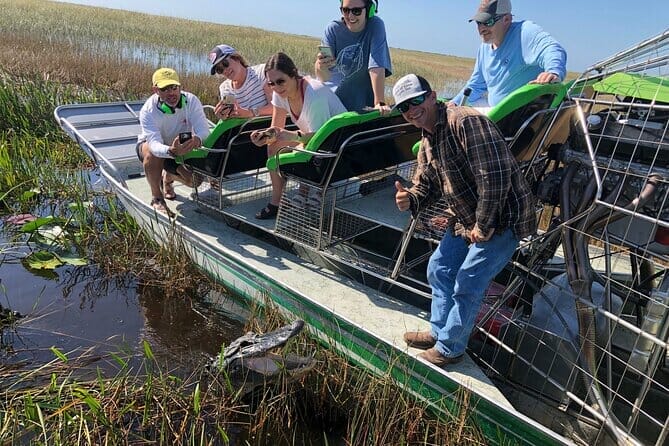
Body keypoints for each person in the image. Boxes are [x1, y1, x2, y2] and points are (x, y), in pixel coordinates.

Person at [392, 74, 536, 367]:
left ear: (432, 96)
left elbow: (493, 178)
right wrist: (410, 198)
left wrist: (482, 226)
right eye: (403, 107)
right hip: (466, 217)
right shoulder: (428, 138)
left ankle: (450, 347)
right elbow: (426, 184)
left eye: (416, 100)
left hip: (502, 217)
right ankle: (438, 330)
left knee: (469, 279)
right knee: (440, 268)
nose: (411, 110)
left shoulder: (465, 121)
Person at [250, 52, 346, 220]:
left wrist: (292, 136)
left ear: (294, 73)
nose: (276, 87)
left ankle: (313, 188)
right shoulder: (279, 94)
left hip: (335, 148)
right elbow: (276, 129)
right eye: (271, 83)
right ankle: (277, 202)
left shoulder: (314, 94)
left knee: (302, 148)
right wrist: (263, 137)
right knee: (272, 147)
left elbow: (321, 138)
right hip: (315, 142)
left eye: (281, 81)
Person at [449, 0, 567, 108]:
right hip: (496, 112)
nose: (482, 29)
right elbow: (475, 85)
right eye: (479, 23)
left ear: (507, 19)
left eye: (488, 22)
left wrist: (553, 71)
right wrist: (454, 103)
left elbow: (552, 48)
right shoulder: (484, 48)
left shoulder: (524, 32)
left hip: (524, 114)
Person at [136, 68, 210, 215]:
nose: (171, 93)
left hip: (181, 148)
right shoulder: (148, 110)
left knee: (194, 181)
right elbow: (154, 144)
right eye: (165, 89)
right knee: (152, 152)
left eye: (174, 87)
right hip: (158, 150)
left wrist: (197, 139)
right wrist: (171, 151)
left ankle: (167, 178)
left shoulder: (192, 101)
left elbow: (204, 130)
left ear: (180, 87)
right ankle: (157, 198)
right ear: (156, 90)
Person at [314, 0, 392, 113]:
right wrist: (320, 67)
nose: (350, 16)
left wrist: (379, 103)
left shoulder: (375, 25)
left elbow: (376, 66)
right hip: (332, 104)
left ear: (369, 10)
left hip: (362, 107)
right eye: (345, 10)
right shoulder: (332, 29)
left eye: (356, 11)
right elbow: (324, 78)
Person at [208, 44, 273, 119]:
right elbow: (232, 115)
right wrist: (224, 115)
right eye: (219, 70)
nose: (225, 70)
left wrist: (250, 113)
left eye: (225, 64)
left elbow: (277, 108)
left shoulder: (262, 72)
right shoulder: (225, 88)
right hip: (243, 130)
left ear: (236, 58)